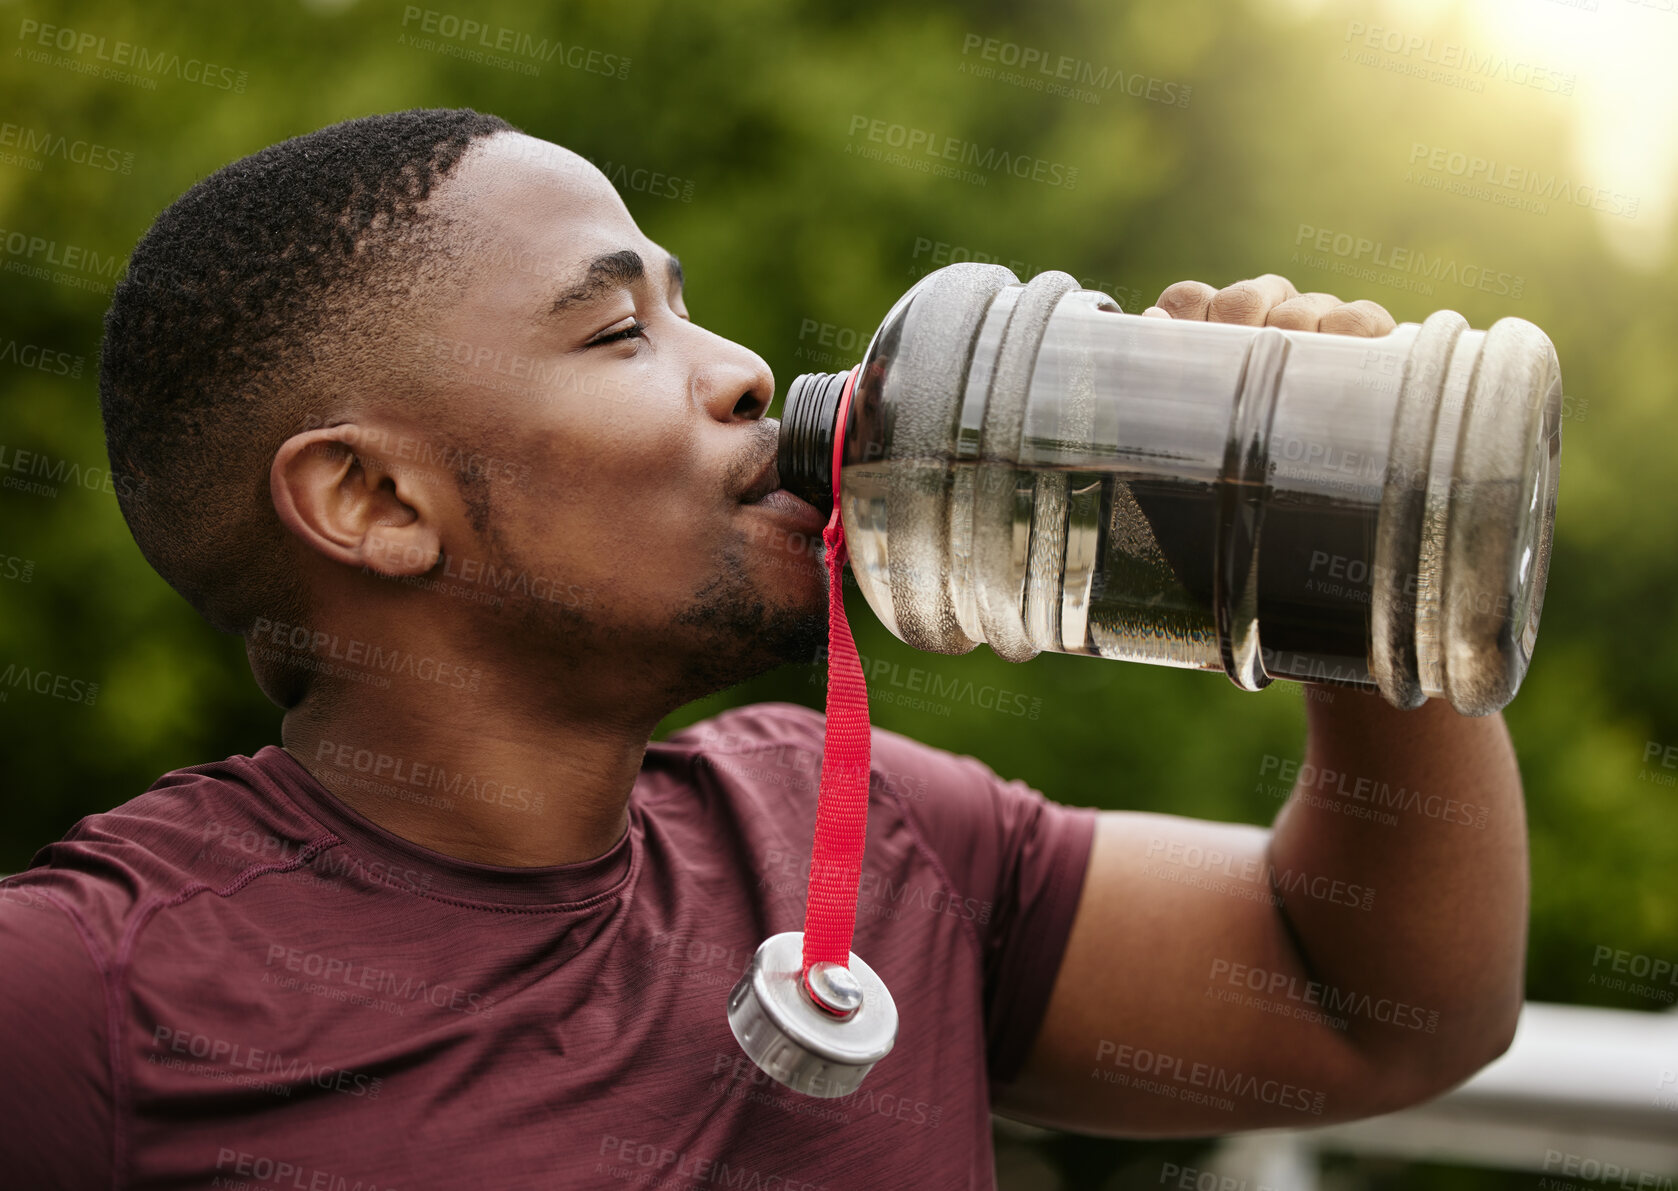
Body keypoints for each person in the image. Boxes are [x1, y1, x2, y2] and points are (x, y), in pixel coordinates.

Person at [0, 109, 1526, 1189]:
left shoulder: (858, 840)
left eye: (692, 311)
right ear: (372, 501)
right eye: (619, 336)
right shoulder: (88, 995)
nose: (740, 372)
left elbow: (1369, 1011)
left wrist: (1330, 544)